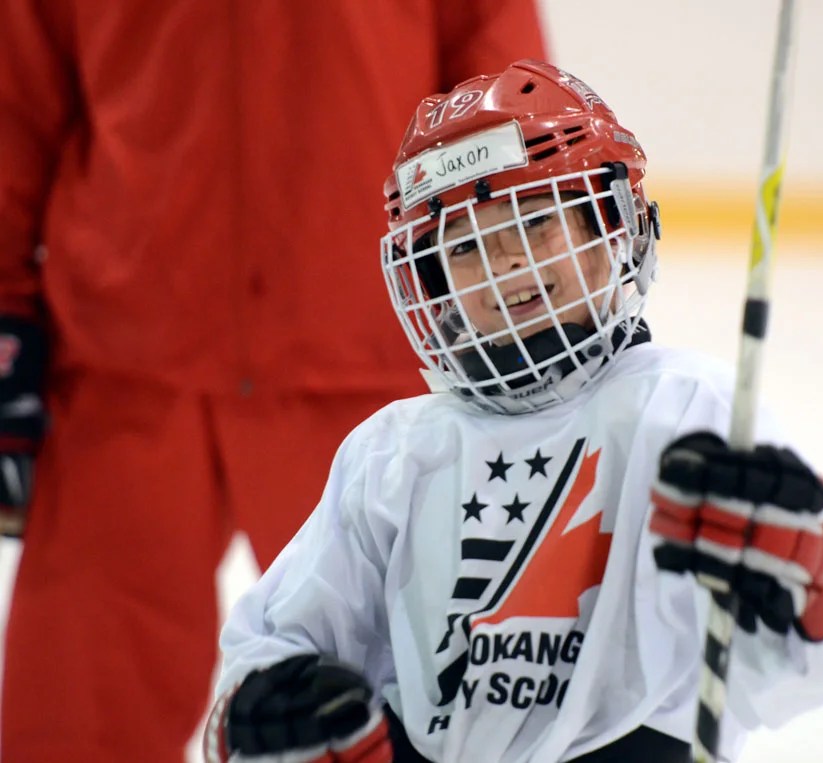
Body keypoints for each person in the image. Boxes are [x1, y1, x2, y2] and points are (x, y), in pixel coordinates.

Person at [204, 59, 823, 763]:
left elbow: (811, 666)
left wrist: (819, 562)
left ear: (613, 225)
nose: (505, 262)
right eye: (464, 245)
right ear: (428, 280)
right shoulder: (393, 453)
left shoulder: (685, 408)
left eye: (534, 220)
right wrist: (270, 721)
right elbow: (274, 646)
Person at [0, 3, 547, 761]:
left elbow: (500, 85)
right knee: (70, 727)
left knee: (426, 716)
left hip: (367, 368)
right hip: (124, 365)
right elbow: (17, 92)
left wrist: (523, 279)